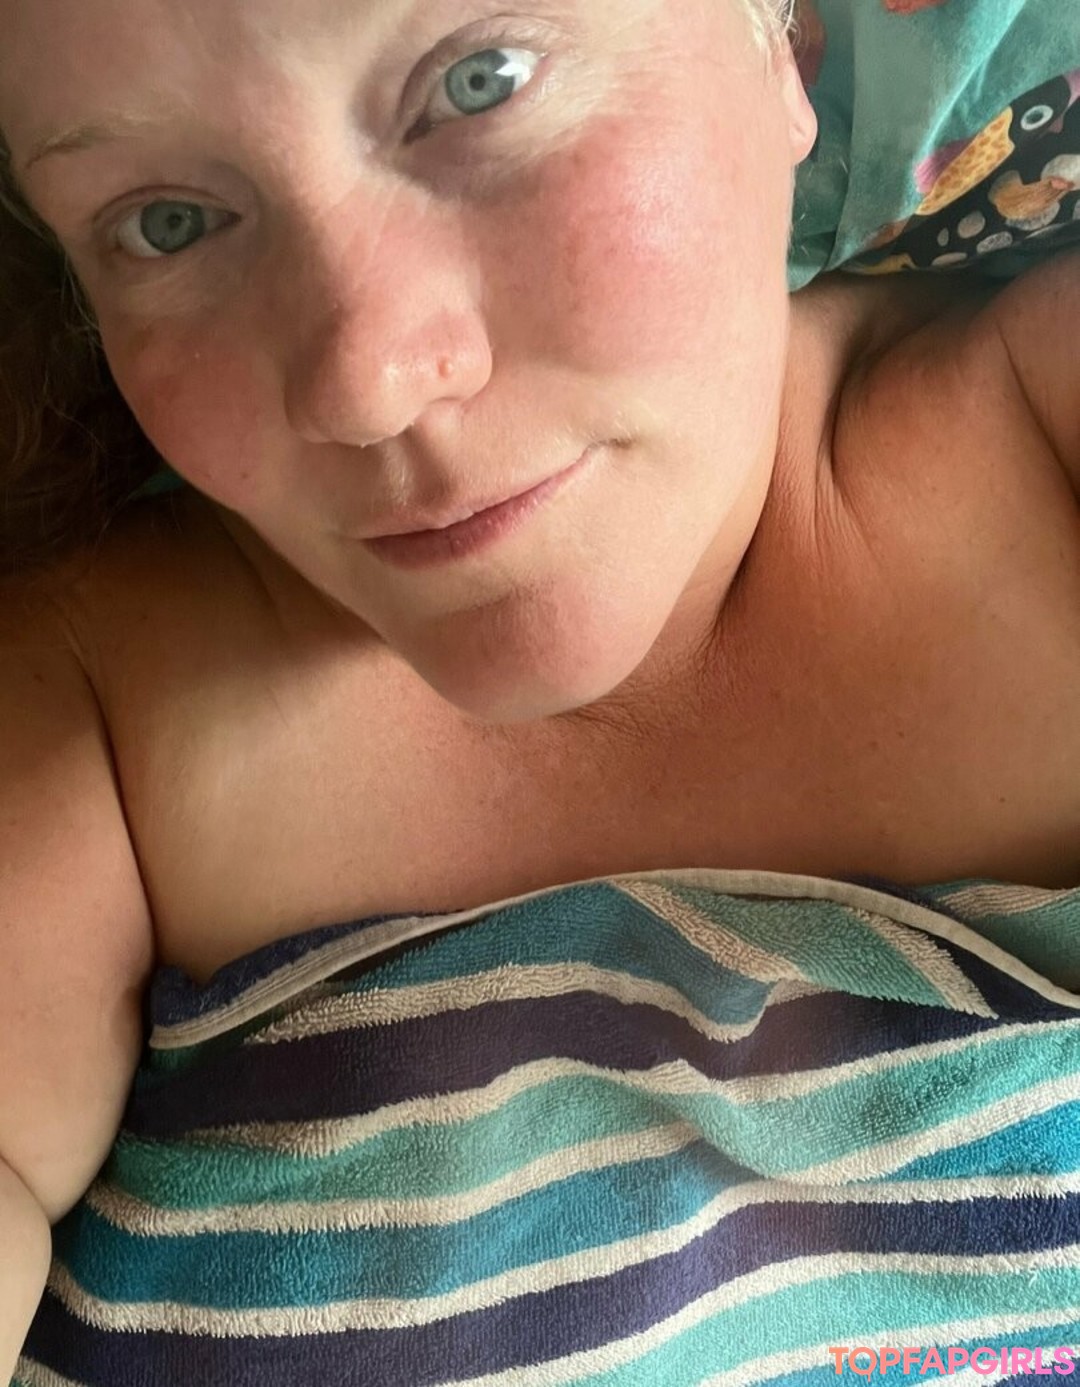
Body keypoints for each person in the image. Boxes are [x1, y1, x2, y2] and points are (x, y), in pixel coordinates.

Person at [0, 0, 1078, 1381]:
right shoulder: (89, 701)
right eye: (167, 224)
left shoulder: (1049, 446)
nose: (366, 383)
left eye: (480, 81)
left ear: (784, 39)